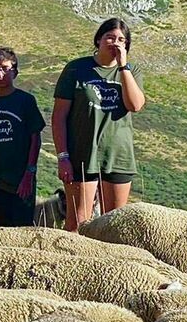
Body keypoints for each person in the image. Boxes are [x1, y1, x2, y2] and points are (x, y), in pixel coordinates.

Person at [51, 17, 146, 232]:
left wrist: (123, 67)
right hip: (82, 155)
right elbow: (59, 117)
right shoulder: (76, 69)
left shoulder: (132, 71)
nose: (115, 43)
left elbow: (135, 105)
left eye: (121, 39)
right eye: (110, 37)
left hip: (118, 155)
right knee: (77, 222)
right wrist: (63, 156)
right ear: (98, 40)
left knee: (113, 224)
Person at [0, 46, 45, 228]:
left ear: (15, 72)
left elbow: (35, 138)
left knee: (22, 227)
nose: (0, 74)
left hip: (19, 177)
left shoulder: (25, 100)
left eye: (5, 68)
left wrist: (30, 172)